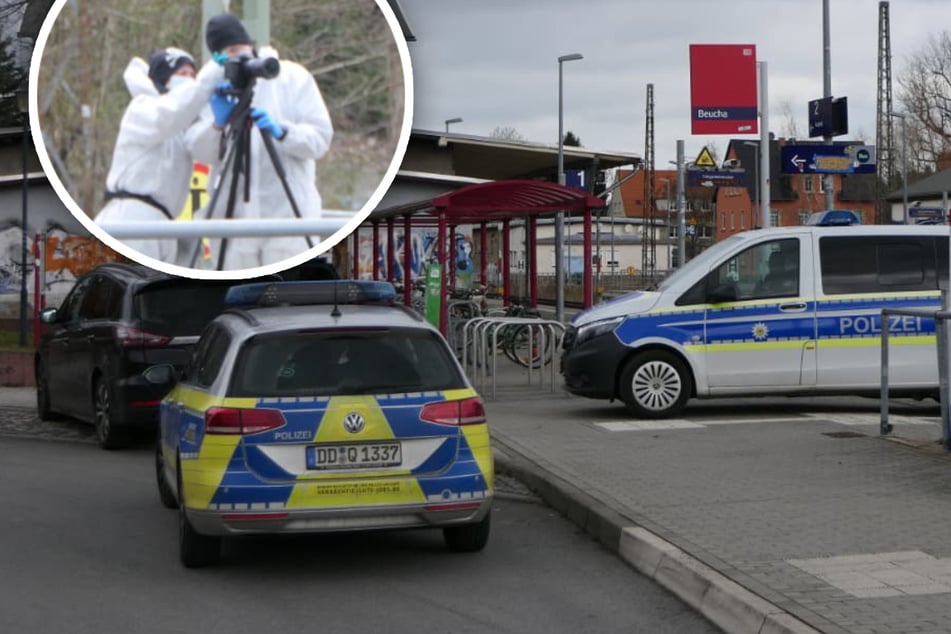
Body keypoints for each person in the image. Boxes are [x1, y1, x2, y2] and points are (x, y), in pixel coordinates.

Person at [185, 13, 334, 270]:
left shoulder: (291, 78)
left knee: (287, 295)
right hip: (233, 221)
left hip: (289, 217)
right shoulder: (217, 87)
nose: (237, 58)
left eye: (238, 48)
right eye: (227, 53)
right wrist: (217, 123)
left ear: (250, 45)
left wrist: (283, 132)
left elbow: (320, 140)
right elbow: (201, 152)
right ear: (217, 58)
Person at [95, 47, 224, 263]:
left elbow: (207, 149)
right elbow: (170, 114)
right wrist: (209, 77)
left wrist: (218, 121)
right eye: (182, 74)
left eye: (193, 75)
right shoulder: (143, 109)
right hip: (132, 219)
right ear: (163, 80)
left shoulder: (181, 129)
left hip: (163, 226)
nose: (190, 81)